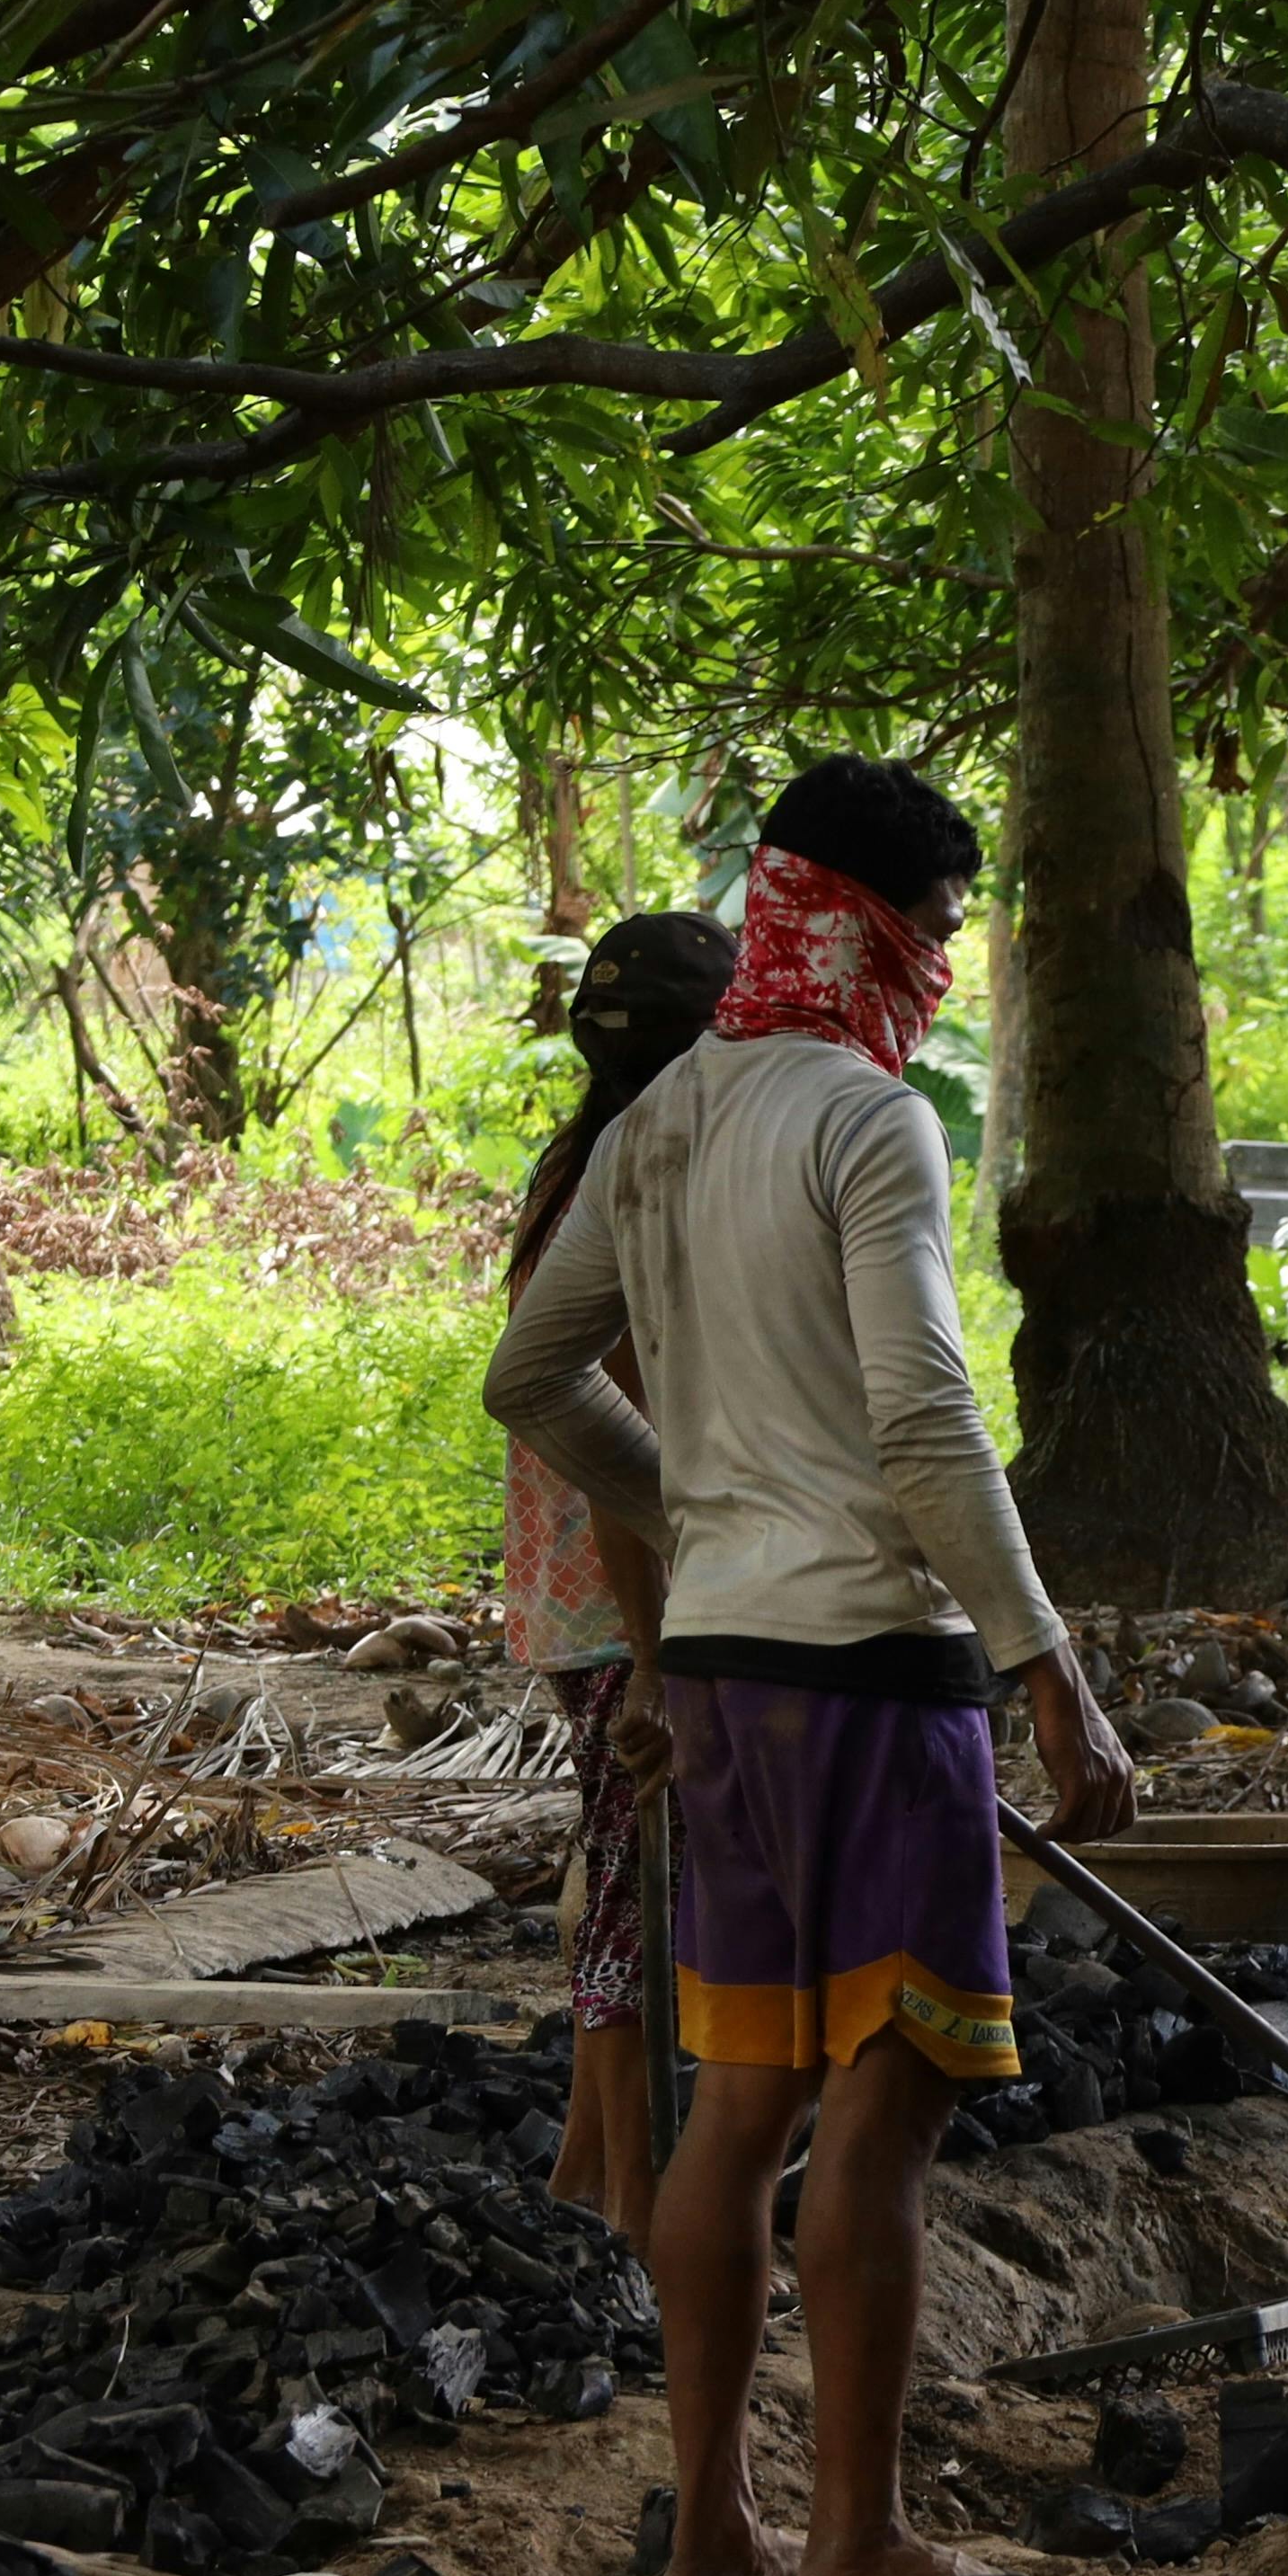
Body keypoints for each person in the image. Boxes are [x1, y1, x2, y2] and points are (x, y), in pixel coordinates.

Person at [485, 756, 1137, 2576]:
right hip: (873, 1666)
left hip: (721, 1674)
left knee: (744, 2099)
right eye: (934, 928)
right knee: (892, 2098)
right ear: (865, 922)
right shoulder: (870, 1118)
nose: (942, 964)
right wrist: (1046, 1664)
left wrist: (691, 1511)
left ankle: (713, 2538)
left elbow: (532, 1375)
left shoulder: (666, 1118)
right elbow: (924, 1417)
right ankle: (858, 2544)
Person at [502, 910, 738, 2243]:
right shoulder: (645, 1178)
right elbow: (624, 1436)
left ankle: (591, 2177)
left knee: (621, 1867)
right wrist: (656, 1655)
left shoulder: (582, 1159)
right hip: (628, 1599)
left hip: (582, 1599)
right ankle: (636, 2203)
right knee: (639, 1891)